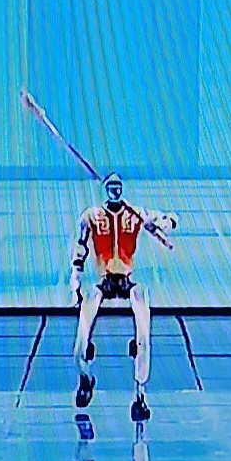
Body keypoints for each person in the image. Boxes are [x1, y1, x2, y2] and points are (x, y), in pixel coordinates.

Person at [69, 172, 176, 421]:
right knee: (80, 342)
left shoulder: (134, 213)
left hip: (128, 281)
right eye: (112, 187)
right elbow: (80, 248)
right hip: (103, 281)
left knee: (144, 335)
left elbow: (164, 219)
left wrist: (167, 222)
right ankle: (85, 378)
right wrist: (75, 279)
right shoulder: (91, 216)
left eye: (118, 187)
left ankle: (140, 394)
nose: (115, 191)